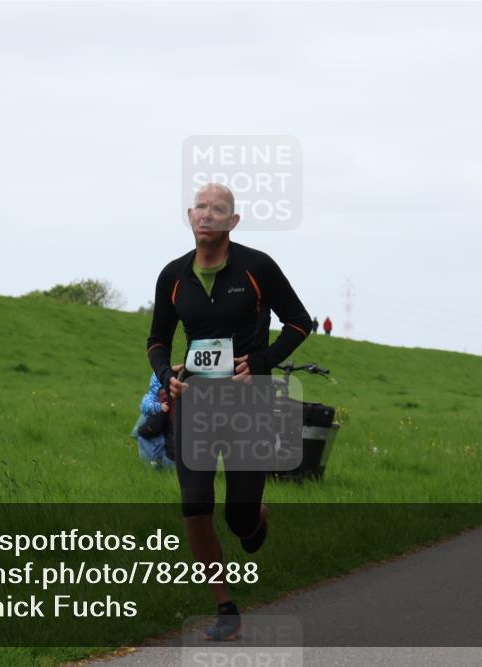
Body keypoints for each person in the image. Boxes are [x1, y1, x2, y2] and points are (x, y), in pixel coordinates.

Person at [146, 182, 311, 641]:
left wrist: (261, 362)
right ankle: (225, 608)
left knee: (240, 520)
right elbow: (157, 341)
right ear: (189, 216)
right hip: (195, 403)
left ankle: (255, 515)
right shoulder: (173, 276)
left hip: (248, 404)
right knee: (195, 504)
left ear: (232, 221)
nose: (207, 214)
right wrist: (165, 376)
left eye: (217, 209)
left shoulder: (257, 267)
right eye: (200, 207)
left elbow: (299, 322)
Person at [130, 372, 174, 469]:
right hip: (153, 425)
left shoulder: (166, 397)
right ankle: (154, 460)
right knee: (156, 439)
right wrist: (159, 406)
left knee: (158, 441)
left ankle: (155, 461)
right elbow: (145, 406)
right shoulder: (153, 398)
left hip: (162, 432)